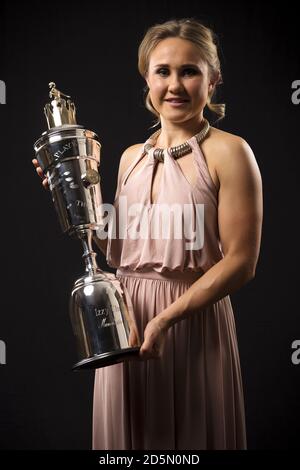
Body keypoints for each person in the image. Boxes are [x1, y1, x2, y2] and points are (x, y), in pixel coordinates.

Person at [33, 18, 263, 450]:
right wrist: (70, 193)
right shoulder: (129, 158)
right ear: (147, 78)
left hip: (191, 326)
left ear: (213, 81)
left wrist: (165, 320)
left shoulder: (231, 152)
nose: (175, 85)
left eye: (189, 71)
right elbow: (118, 247)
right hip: (125, 327)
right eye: (163, 71)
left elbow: (241, 262)